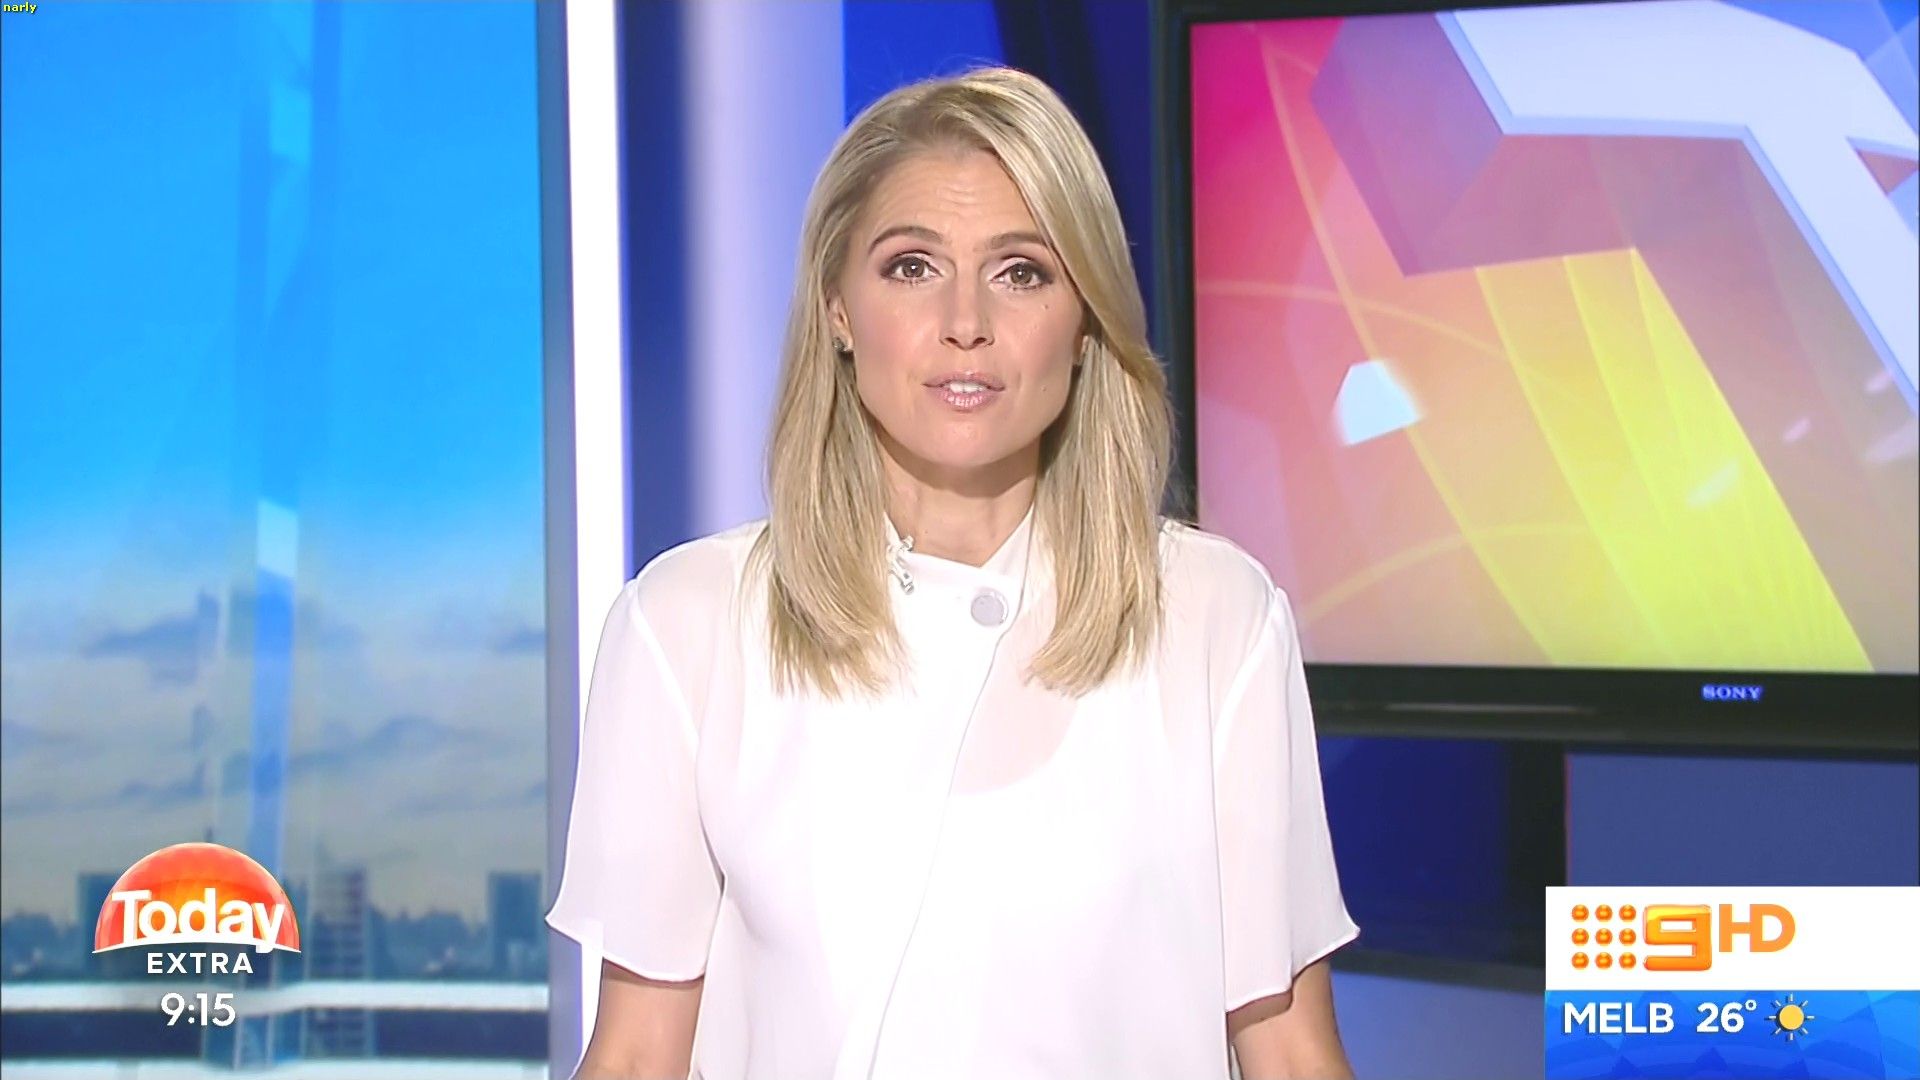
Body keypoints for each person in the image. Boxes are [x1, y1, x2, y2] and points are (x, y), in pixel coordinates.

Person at [546, 66, 1360, 1080]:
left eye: (1022, 271)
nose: (965, 320)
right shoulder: (686, 625)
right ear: (839, 310)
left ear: (1086, 319)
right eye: (911, 267)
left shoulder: (1214, 616)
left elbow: (1289, 1050)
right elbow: (635, 1057)